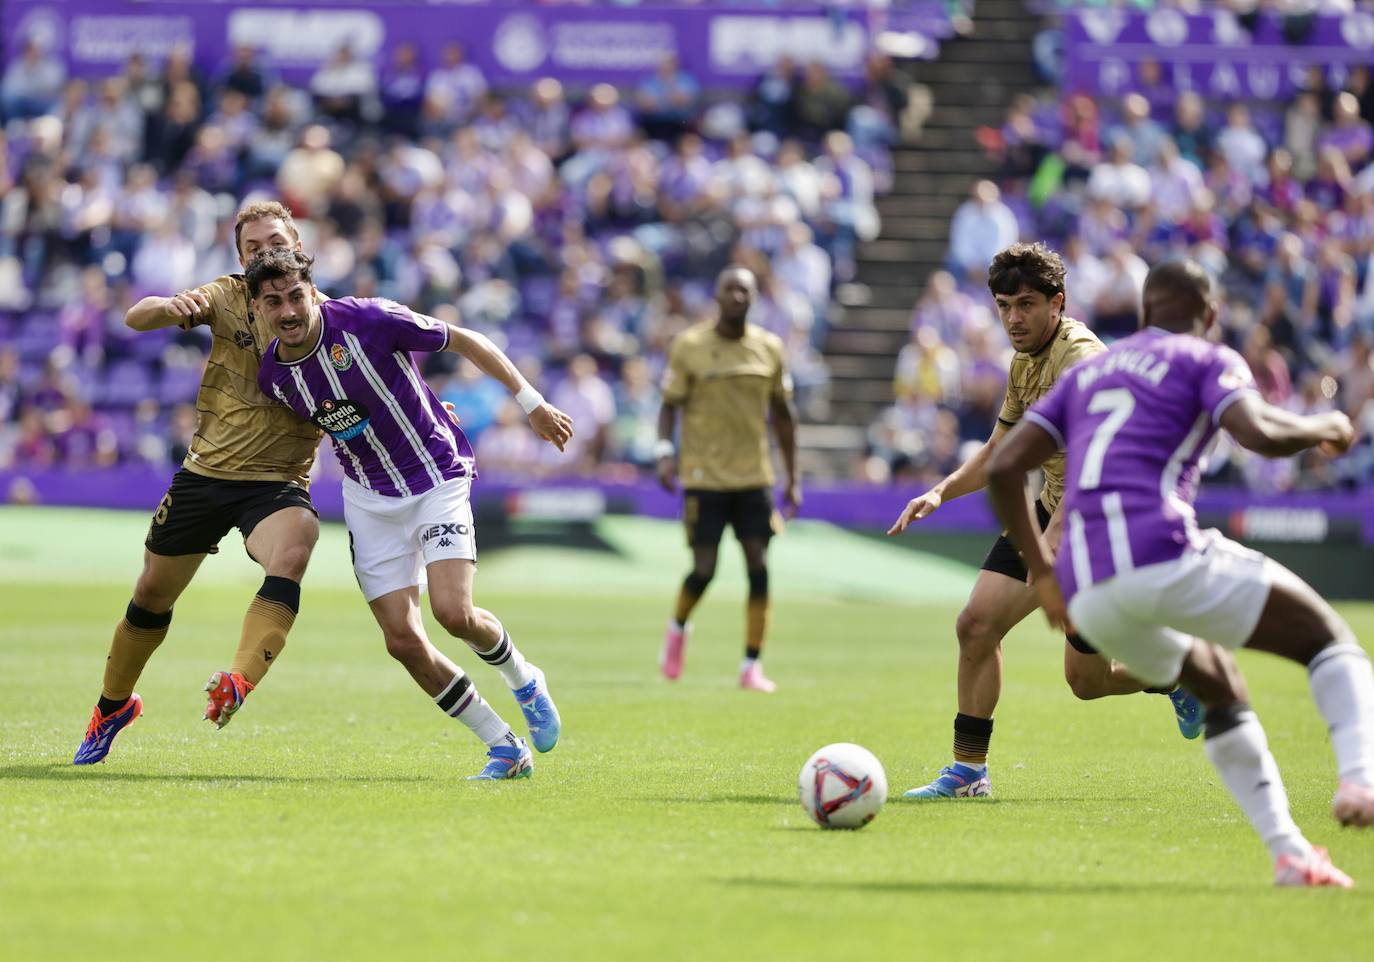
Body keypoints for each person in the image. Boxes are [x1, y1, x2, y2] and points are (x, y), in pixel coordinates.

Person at [984, 259, 1374, 886]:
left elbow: (1005, 470)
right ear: (1210, 316)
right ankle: (1360, 779)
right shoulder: (1204, 358)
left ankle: (1292, 856)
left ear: (1141, 316)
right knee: (1330, 641)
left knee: (1217, 683)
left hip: (1086, 585)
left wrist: (1045, 575)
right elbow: (1259, 433)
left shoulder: (1093, 371)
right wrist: (1323, 425)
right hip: (1159, 549)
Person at [888, 243, 1201, 799]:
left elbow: (1094, 460)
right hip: (1057, 508)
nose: (1013, 318)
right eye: (1004, 305)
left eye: (1026, 304)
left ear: (1058, 303)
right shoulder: (1024, 359)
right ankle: (968, 773)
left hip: (1104, 516)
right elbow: (1000, 449)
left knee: (1085, 682)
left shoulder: (1081, 359)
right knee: (979, 626)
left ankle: (1182, 670)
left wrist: (1051, 543)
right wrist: (940, 491)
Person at [251, 248, 573, 779]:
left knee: (454, 612)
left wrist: (531, 402)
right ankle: (504, 747)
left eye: (295, 295)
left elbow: (466, 340)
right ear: (259, 308)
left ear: (312, 291)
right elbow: (333, 422)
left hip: (435, 476)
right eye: (273, 301)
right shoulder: (275, 377)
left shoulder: (368, 319)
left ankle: (525, 679)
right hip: (370, 500)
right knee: (401, 640)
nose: (287, 310)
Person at [73, 201, 322, 765]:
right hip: (204, 475)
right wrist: (168, 306)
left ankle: (238, 680)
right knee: (150, 597)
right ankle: (113, 706)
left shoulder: (326, 315)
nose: (265, 253)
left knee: (295, 547)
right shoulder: (227, 295)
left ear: (297, 242)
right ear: (240, 259)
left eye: (274, 242)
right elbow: (137, 318)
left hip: (276, 483)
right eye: (253, 247)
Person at [655, 267, 800, 693]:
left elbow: (785, 416)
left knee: (759, 565)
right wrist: (666, 454)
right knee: (704, 569)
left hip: (754, 475)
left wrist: (793, 477)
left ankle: (751, 665)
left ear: (754, 298)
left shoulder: (769, 348)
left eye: (745, 290)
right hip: (703, 474)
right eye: (730, 289)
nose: (737, 295)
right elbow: (668, 406)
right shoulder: (690, 346)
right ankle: (678, 627)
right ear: (717, 296)